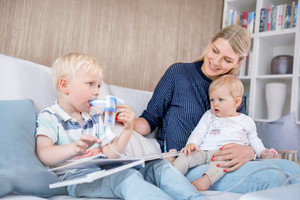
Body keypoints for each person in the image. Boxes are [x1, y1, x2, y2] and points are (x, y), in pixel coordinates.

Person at [134, 25, 300, 193]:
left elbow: (245, 133)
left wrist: (250, 152)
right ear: (210, 43)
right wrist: (123, 123)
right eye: (215, 51)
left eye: (227, 60)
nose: (215, 62)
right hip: (187, 163)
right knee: (275, 177)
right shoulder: (178, 73)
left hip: (222, 166)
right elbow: (149, 120)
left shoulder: (234, 91)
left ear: (239, 62)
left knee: (291, 169)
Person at [35, 53, 204, 200]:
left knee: (158, 167)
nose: (96, 92)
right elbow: (44, 154)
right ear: (65, 85)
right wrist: (74, 148)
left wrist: (127, 130)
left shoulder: (94, 116)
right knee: (126, 177)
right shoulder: (50, 116)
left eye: (99, 86)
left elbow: (110, 153)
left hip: (108, 168)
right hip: (79, 179)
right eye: (90, 84)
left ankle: (194, 198)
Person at [172, 75, 279, 191]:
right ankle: (171, 177)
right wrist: (192, 143)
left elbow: (254, 139)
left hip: (225, 153)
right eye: (212, 100)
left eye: (220, 99)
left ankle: (207, 179)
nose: (215, 104)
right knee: (185, 156)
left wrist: (262, 152)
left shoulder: (246, 121)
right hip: (204, 151)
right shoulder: (209, 115)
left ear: (236, 102)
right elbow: (198, 132)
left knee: (224, 162)